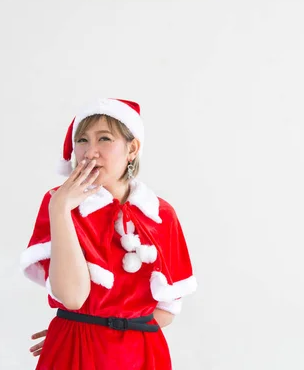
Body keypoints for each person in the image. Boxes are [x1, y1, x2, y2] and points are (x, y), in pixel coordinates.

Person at [20, 98, 197, 369]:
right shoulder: (59, 203)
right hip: (75, 352)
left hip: (143, 356)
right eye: (81, 140)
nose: (90, 152)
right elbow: (72, 298)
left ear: (132, 148)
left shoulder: (160, 214)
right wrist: (60, 209)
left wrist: (106, 332)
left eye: (104, 139)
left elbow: (166, 310)